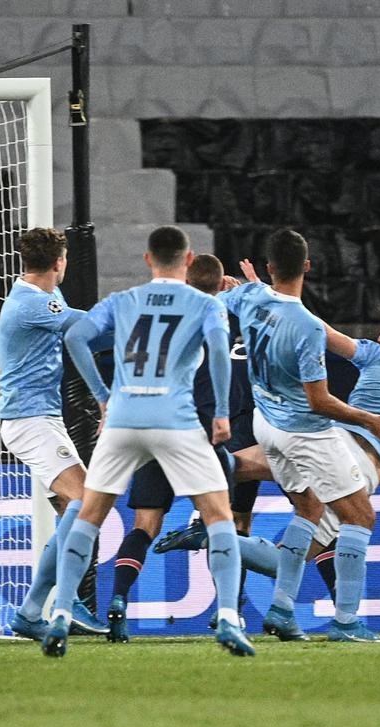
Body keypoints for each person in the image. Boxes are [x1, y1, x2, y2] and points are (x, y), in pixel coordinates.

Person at [158, 308, 380, 608]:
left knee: (234, 464)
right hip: (356, 471)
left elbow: (320, 330)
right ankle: (210, 537)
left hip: (324, 443)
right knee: (285, 561)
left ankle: (176, 450)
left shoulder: (378, 356)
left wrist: (269, 300)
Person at [46, 226, 254, 658]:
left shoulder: (123, 301)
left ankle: (61, 611)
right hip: (174, 419)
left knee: (89, 516)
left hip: (123, 419)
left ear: (147, 260)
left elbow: (75, 337)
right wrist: (220, 412)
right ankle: (229, 618)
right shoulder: (204, 304)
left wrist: (102, 397)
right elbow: (219, 352)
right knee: (218, 516)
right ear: (188, 260)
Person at [218, 229, 380, 643]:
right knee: (360, 516)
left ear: (269, 268)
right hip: (304, 432)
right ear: (308, 267)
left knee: (310, 508)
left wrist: (245, 286)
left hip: (265, 424)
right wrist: (367, 419)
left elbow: (228, 295)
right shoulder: (307, 326)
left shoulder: (250, 298)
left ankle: (281, 610)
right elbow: (319, 401)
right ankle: (347, 623)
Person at [104, 253, 259, 642]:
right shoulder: (225, 319)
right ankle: (230, 611)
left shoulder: (161, 323)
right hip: (201, 436)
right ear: (220, 284)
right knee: (225, 523)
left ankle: (119, 598)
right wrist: (249, 290)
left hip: (154, 430)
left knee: (145, 525)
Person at [0, 227, 109, 641]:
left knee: (71, 511)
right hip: (30, 422)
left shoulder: (45, 295)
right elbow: (90, 325)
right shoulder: (31, 304)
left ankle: (33, 611)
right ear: (60, 262)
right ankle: (63, 599)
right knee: (85, 500)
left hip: (41, 419)